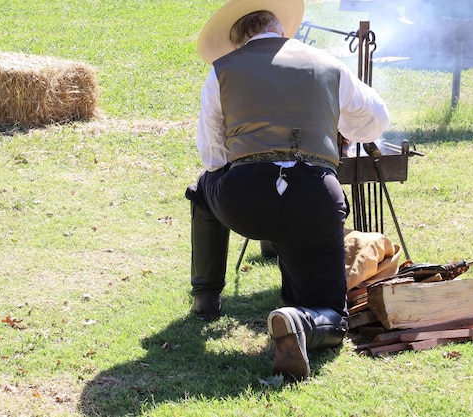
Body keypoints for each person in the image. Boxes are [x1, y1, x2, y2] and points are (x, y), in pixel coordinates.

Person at [186, 0, 390, 380]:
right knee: (331, 310)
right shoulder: (327, 64)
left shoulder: (222, 71)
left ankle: (206, 298)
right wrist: (338, 123)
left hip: (244, 201)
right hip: (314, 199)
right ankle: (302, 320)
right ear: (281, 29)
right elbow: (376, 120)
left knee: (202, 186)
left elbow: (212, 156)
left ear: (237, 41)